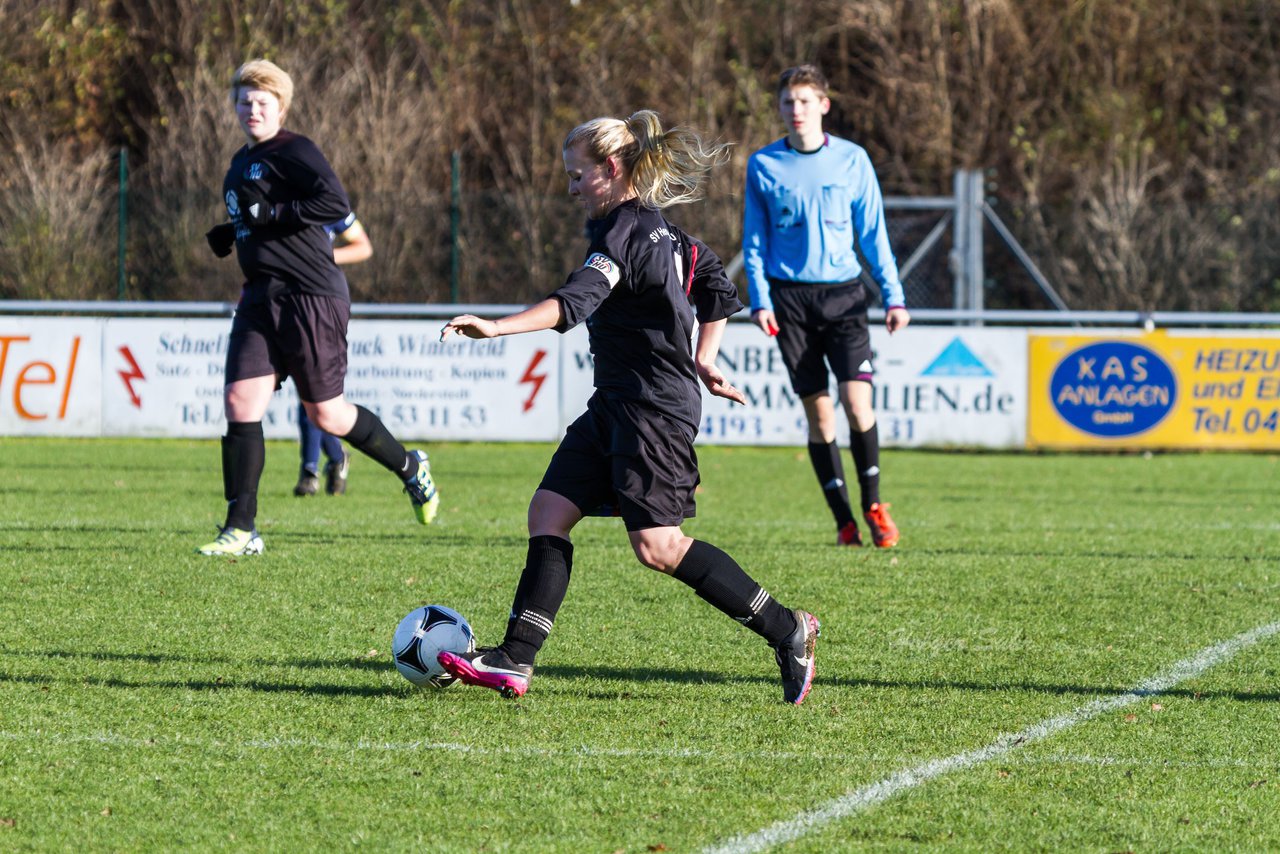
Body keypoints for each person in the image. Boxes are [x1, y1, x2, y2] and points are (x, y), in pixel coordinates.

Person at [437, 110, 820, 705]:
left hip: (653, 411)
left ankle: (787, 629)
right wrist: (705, 356)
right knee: (549, 510)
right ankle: (515, 658)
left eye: (576, 176)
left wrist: (496, 327)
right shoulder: (668, 233)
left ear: (611, 169)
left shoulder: (623, 233)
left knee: (659, 547)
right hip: (615, 404)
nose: (569, 188)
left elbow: (574, 302)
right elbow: (716, 288)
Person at [198, 59, 438, 556]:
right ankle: (241, 529)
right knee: (240, 404)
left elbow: (333, 201)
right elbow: (259, 218)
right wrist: (235, 230)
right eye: (244, 101)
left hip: (312, 297)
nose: (252, 109)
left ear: (280, 107)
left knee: (327, 415)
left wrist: (274, 213)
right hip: (260, 298)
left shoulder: (296, 149)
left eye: (262, 102)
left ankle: (411, 467)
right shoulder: (239, 164)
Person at [742, 64, 910, 549]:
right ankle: (844, 522)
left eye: (804, 101)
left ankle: (875, 506)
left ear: (823, 104)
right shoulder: (763, 165)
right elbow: (754, 240)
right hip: (790, 302)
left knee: (859, 405)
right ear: (779, 109)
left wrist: (893, 294)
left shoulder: (853, 160)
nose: (795, 111)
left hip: (843, 298)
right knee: (820, 417)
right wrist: (760, 300)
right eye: (787, 103)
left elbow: (873, 233)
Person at [293, 213, 370, 497]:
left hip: (323, 310)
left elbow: (363, 246)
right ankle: (336, 458)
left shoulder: (327, 201)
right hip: (290, 307)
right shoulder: (279, 205)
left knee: (314, 403)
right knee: (311, 406)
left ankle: (310, 471)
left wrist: (322, 259)